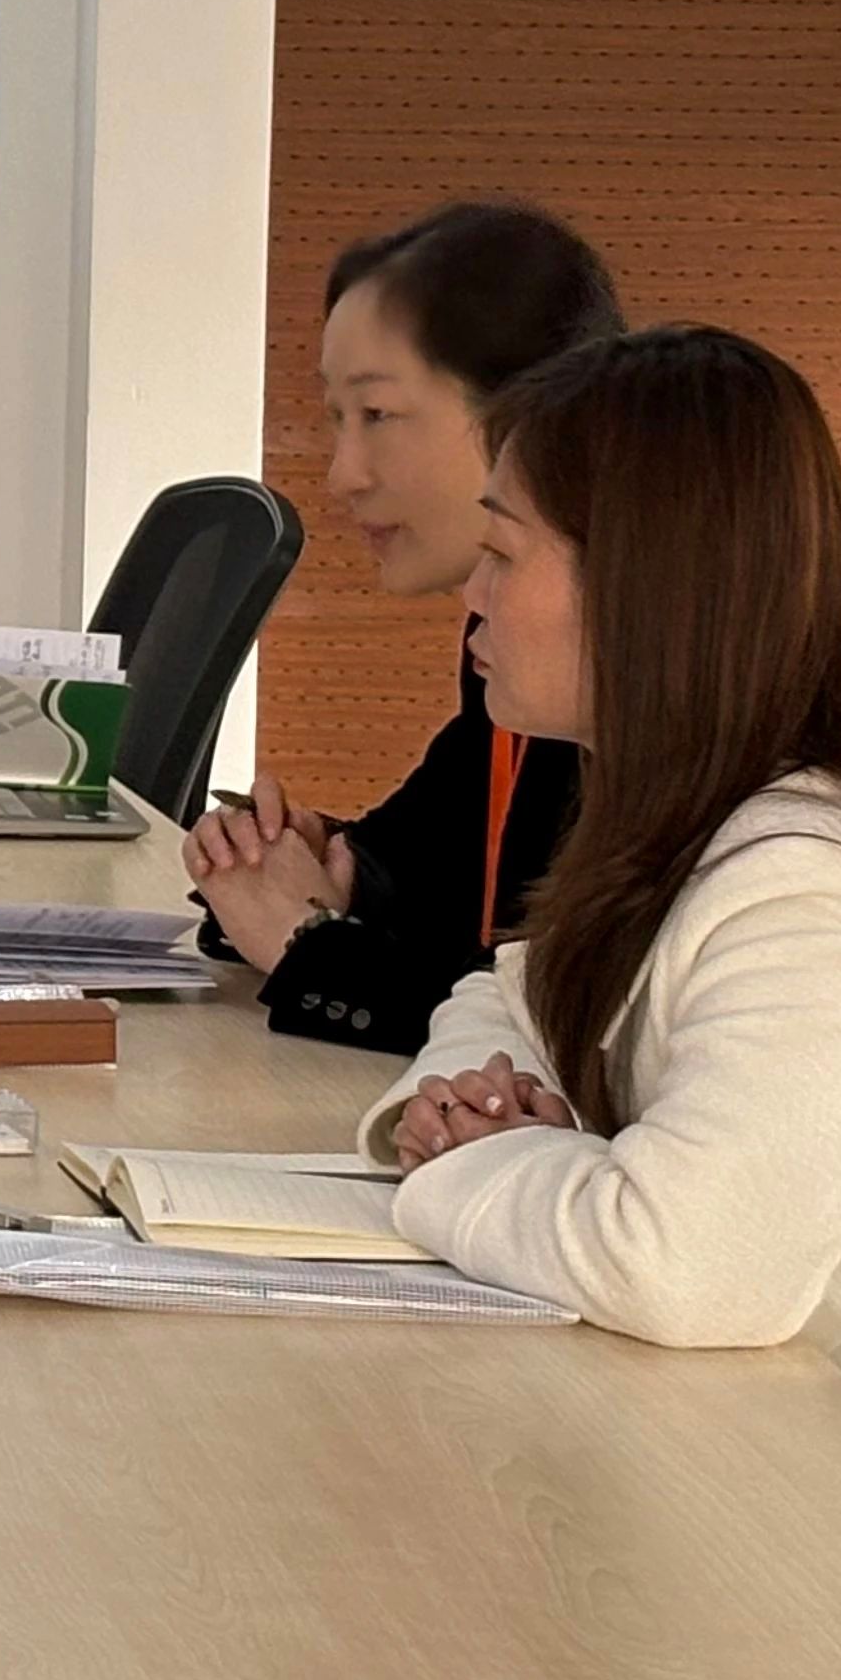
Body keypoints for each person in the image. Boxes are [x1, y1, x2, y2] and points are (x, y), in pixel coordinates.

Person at [361, 326, 841, 1378]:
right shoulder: (680, 796)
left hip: (804, 1461)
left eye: (503, 553)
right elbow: (507, 996)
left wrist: (474, 1162)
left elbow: (690, 1268)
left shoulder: (825, 880)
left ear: (643, 583)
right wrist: (465, 1113)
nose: (471, 596)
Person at [187, 202, 620, 1052]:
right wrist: (315, 871)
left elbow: (555, 1031)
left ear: (536, 409)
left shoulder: (625, 680)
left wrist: (308, 944)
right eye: (335, 419)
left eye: (377, 416)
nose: (342, 475)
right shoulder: (502, 643)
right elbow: (431, 870)